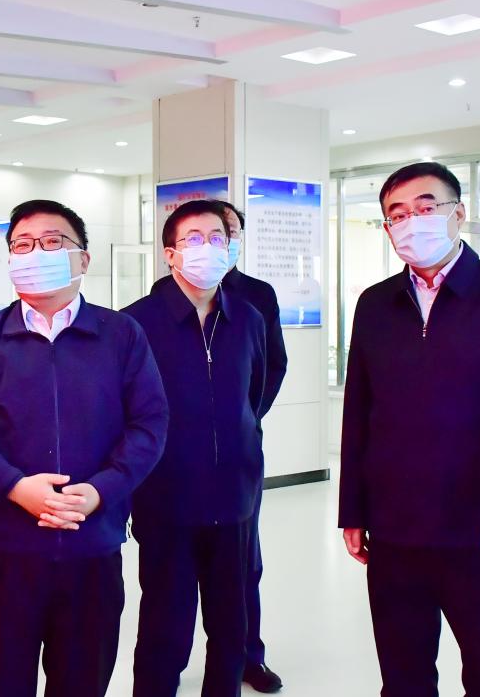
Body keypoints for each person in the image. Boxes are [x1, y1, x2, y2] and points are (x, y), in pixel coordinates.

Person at [339, 162, 480, 697]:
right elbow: (359, 409)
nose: (412, 221)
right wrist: (353, 508)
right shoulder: (375, 304)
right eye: (397, 214)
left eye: (425, 206)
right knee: (403, 675)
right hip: (396, 528)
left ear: (458, 213)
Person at [0, 199, 168, 697]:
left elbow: (149, 424)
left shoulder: (121, 335)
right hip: (4, 551)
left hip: (92, 547)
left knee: (82, 682)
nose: (36, 253)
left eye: (52, 242)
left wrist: (102, 490)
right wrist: (16, 487)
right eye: (22, 244)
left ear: (83, 258)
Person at [124, 199, 266, 697]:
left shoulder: (247, 318)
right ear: (170, 254)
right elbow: (124, 412)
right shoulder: (135, 323)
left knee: (231, 624)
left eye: (217, 238)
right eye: (193, 239)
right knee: (165, 624)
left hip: (235, 498)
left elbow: (254, 394)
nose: (208, 247)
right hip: (167, 499)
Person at [216, 200, 288, 694]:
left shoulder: (258, 295)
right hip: (180, 454)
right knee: (175, 567)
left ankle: (247, 656)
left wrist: (245, 415)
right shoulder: (161, 297)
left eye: (229, 230)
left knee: (244, 561)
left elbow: (273, 364)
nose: (218, 240)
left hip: (241, 451)